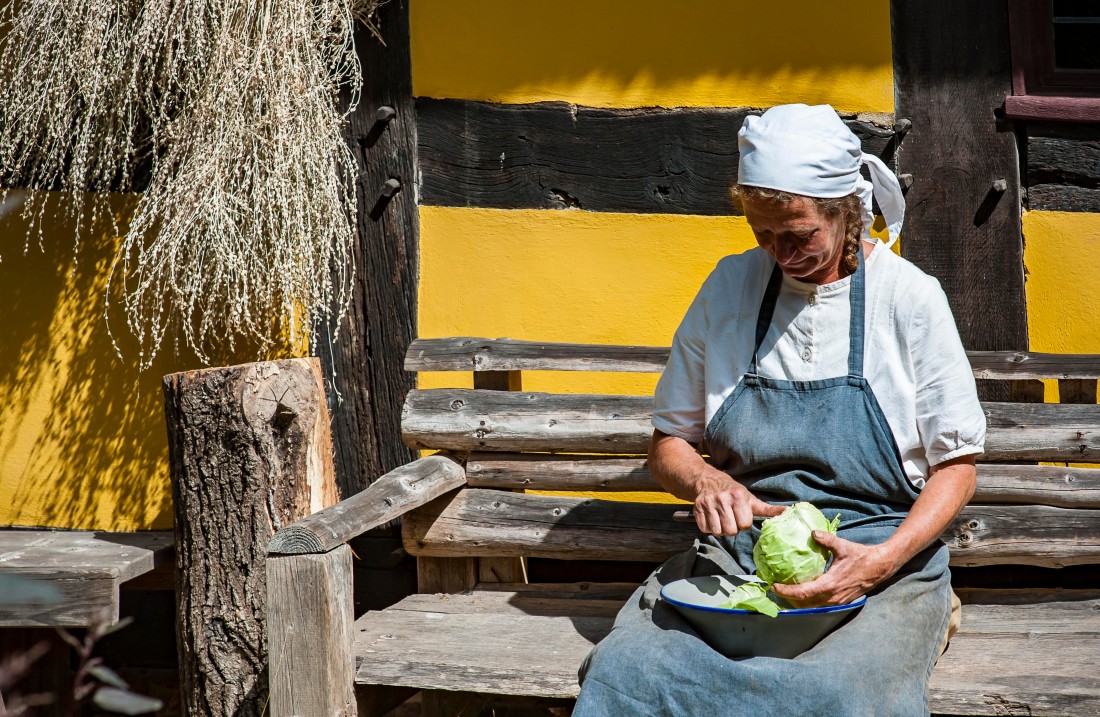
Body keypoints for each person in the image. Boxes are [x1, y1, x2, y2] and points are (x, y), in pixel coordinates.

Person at [573, 104, 987, 716]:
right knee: (628, 670)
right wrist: (705, 478)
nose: (781, 254)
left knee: (835, 693)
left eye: (798, 236)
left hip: (878, 563)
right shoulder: (728, 287)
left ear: (846, 209)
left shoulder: (909, 297)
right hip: (741, 561)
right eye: (762, 235)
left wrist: (877, 564)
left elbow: (958, 466)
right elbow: (669, 446)